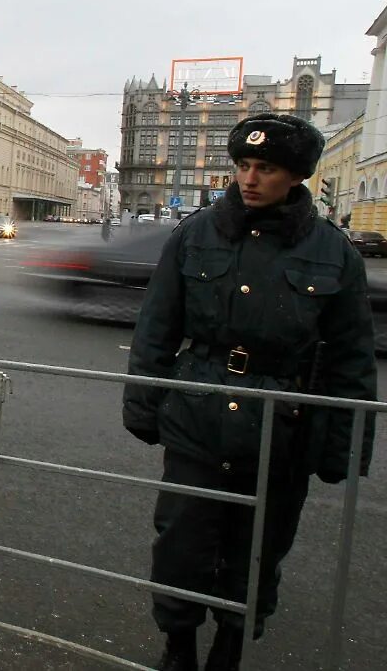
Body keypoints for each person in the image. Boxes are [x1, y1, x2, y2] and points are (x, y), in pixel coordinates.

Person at [123, 113, 376, 671]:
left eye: (266, 168)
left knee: (259, 547)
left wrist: (345, 447)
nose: (250, 178)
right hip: (198, 415)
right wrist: (144, 404)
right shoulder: (195, 233)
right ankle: (179, 644)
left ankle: (232, 645)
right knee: (181, 540)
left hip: (282, 426)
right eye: (243, 165)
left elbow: (351, 357)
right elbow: (157, 327)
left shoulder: (334, 253)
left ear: (296, 176)